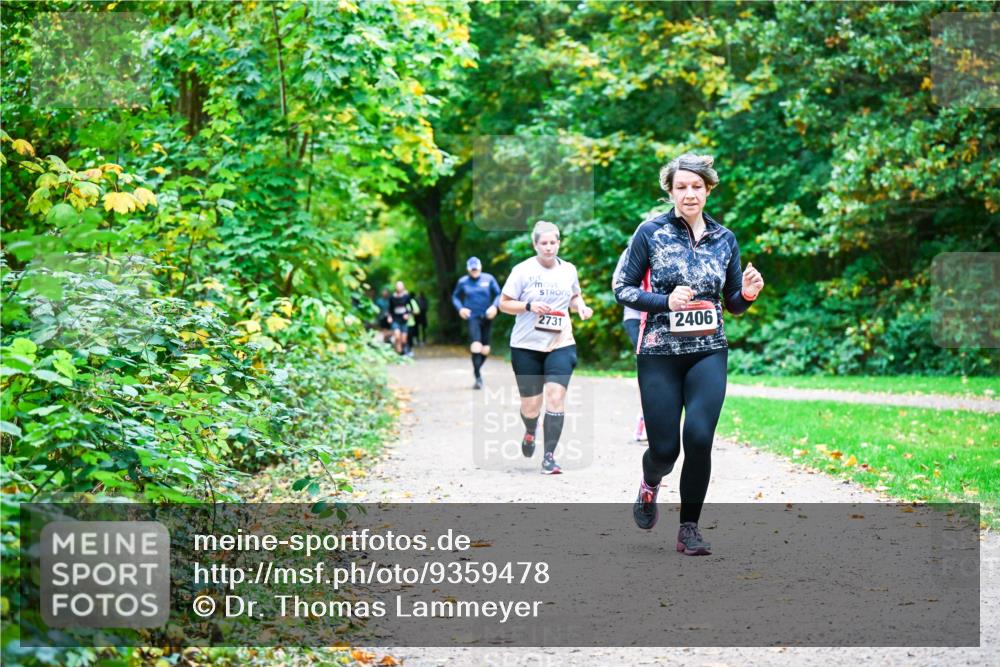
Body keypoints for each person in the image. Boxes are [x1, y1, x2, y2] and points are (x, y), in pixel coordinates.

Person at [614, 153, 764, 555]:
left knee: (699, 437)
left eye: (697, 186)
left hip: (708, 351)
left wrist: (747, 294)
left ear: (709, 189)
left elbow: (731, 302)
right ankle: (649, 485)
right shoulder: (650, 232)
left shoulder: (725, 238)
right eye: (681, 187)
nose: (689, 194)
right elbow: (623, 288)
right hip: (659, 352)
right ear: (670, 191)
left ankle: (689, 529)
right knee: (665, 449)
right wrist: (665, 301)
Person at [499, 221, 593, 475]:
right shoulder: (523, 271)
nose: (549, 248)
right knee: (531, 406)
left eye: (553, 243)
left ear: (559, 243)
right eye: (544, 243)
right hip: (526, 346)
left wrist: (580, 307)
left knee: (555, 397)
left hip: (561, 343)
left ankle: (549, 457)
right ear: (535, 245)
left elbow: (574, 296)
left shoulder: (569, 270)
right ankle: (531, 430)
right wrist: (529, 306)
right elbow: (504, 304)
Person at [612, 247, 647, 442]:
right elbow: (616, 285)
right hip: (636, 317)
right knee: (649, 365)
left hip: (666, 318)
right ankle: (646, 417)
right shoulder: (631, 251)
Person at [452, 257, 501, 389]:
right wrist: (460, 308)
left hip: (487, 316)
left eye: (476, 268)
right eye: (472, 269)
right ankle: (478, 377)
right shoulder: (463, 282)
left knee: (485, 350)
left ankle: (476, 370)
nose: (474, 271)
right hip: (472, 317)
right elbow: (455, 297)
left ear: (480, 267)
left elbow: (499, 294)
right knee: (476, 346)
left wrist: (494, 306)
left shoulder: (489, 278)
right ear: (468, 269)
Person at [387, 281, 414, 356]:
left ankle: (404, 351)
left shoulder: (406, 296)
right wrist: (389, 317)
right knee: (397, 336)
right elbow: (390, 308)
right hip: (395, 319)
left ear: (403, 287)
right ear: (396, 287)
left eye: (400, 286)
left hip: (404, 320)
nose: (399, 287)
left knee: (403, 339)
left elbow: (411, 308)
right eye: (398, 286)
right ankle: (398, 353)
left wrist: (407, 314)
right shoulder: (392, 297)